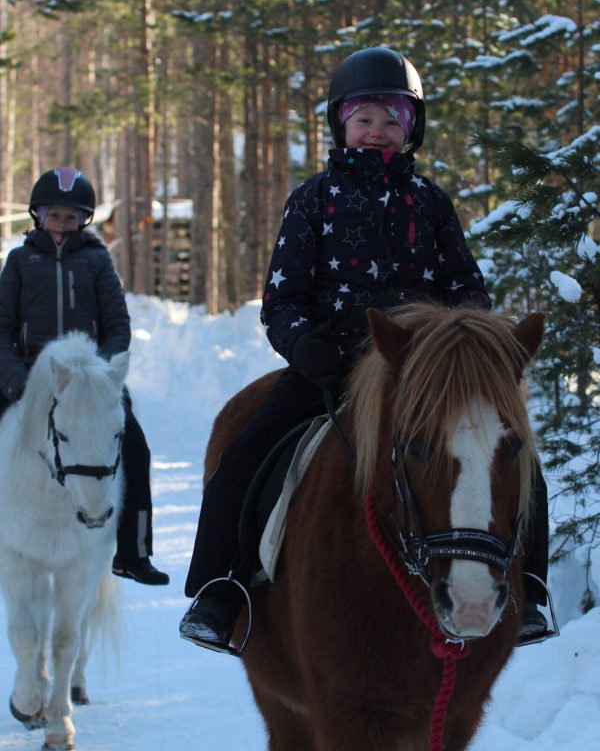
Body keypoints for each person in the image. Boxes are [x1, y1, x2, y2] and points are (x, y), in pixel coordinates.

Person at [179, 47, 550, 652]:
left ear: (410, 130)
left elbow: (465, 290)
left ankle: (528, 589)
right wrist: (305, 347)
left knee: (517, 460)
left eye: (391, 120)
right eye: (364, 119)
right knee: (243, 456)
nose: (376, 132)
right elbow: (282, 297)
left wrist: (463, 347)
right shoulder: (313, 200)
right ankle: (221, 590)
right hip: (333, 366)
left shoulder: (430, 202)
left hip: (419, 373)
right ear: (341, 125)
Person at [0, 166, 169, 587]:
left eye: (71, 217)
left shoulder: (97, 260)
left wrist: (100, 377)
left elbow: (117, 326)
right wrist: (17, 381)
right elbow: (1, 328)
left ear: (84, 221)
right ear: (38, 216)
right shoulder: (19, 262)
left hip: (89, 382)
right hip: (29, 376)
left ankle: (133, 552)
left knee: (136, 448)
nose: (62, 225)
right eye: (54, 216)